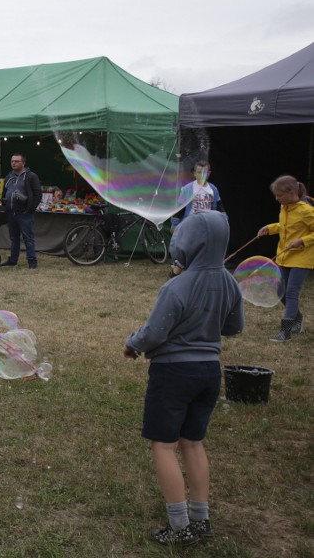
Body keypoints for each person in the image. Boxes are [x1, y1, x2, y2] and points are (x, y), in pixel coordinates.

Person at [124, 210, 244, 546]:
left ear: (188, 242)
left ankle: (179, 526)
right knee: (192, 442)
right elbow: (234, 327)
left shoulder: (177, 286)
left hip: (174, 372)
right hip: (209, 372)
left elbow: (154, 334)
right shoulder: (229, 282)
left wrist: (131, 343)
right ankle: (201, 517)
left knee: (164, 444)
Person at [256, 175, 314, 342]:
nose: (277, 198)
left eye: (279, 195)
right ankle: (297, 319)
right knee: (280, 291)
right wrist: (270, 228)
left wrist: (302, 241)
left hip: (302, 258)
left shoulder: (307, 210)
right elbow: (285, 227)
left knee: (291, 292)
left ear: (291, 192)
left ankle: (285, 332)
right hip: (285, 255)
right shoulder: (285, 208)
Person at [0, 154, 42, 269]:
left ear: (23, 163)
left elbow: (38, 195)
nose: (13, 163)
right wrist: (4, 203)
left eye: (17, 161)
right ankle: (13, 260)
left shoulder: (31, 176)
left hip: (24, 213)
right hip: (11, 212)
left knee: (28, 238)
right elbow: (4, 192)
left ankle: (32, 263)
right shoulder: (9, 176)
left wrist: (29, 209)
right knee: (14, 238)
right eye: (12, 161)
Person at [171, 161, 225, 232]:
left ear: (209, 174)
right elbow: (179, 209)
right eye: (199, 172)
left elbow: (220, 208)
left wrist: (223, 223)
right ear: (195, 173)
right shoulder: (188, 189)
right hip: (190, 226)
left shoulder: (213, 189)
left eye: (204, 173)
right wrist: (174, 225)